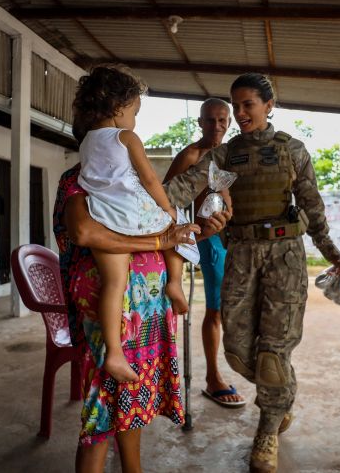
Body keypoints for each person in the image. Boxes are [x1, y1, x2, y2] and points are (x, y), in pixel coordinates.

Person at [165, 73, 340, 473]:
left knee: (273, 351)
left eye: (249, 104)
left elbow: (314, 209)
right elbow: (184, 186)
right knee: (237, 348)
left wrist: (333, 254)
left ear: (269, 104)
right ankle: (283, 393)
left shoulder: (293, 150)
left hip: (285, 257)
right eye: (237, 105)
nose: (242, 113)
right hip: (241, 255)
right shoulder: (225, 155)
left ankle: (266, 432)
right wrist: (135, 203)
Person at [53, 163, 230, 473]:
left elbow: (164, 226)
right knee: (100, 413)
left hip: (146, 308)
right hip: (110, 312)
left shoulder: (132, 178)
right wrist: (159, 243)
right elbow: (84, 232)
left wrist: (196, 232)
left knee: (130, 398)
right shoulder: (83, 178)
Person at [72, 65, 196, 383]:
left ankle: (114, 353)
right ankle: (175, 282)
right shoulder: (126, 136)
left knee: (114, 285)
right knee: (177, 228)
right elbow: (150, 178)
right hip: (133, 214)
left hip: (103, 216)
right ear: (118, 107)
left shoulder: (85, 143)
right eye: (135, 111)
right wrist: (168, 209)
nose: (135, 119)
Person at [164, 98, 245, 408]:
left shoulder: (230, 158)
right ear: (200, 123)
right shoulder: (191, 156)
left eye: (223, 120)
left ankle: (220, 374)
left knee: (226, 310)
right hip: (204, 241)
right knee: (214, 310)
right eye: (210, 120)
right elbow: (165, 202)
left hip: (229, 240)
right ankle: (213, 379)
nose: (217, 126)